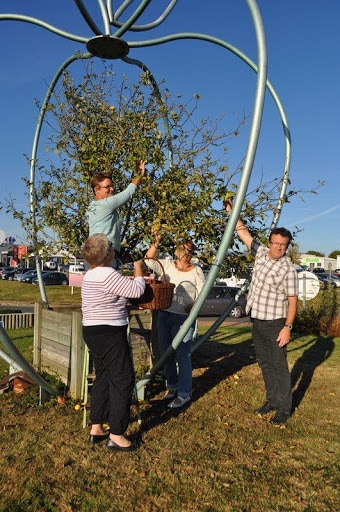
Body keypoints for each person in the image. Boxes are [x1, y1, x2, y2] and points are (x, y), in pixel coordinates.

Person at [225, 199, 298, 425]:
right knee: (264, 363)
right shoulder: (261, 253)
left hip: (276, 323)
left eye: (282, 244)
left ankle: (284, 408)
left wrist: (287, 327)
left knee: (279, 366)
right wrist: (231, 210)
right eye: (275, 242)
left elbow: (293, 301)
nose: (278, 247)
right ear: (270, 241)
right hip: (257, 320)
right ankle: (271, 400)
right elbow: (243, 232)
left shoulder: (288, 269)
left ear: (287, 246)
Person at [81, 233, 145, 451]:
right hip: (109, 332)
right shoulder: (108, 274)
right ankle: (117, 435)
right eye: (111, 247)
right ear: (107, 254)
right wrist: (139, 268)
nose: (113, 249)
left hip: (92, 330)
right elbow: (137, 290)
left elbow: (106, 299)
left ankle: (96, 427)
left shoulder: (89, 275)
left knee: (104, 376)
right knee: (123, 380)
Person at [145, 235, 205, 409]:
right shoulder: (168, 265)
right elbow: (149, 260)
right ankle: (172, 387)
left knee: (183, 356)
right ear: (176, 250)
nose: (186, 253)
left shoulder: (196, 271)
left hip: (184, 319)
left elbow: (202, 294)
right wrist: (155, 241)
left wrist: (193, 305)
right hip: (165, 315)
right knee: (166, 354)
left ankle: (184, 393)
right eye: (183, 249)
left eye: (190, 251)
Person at [87, 160, 146, 261]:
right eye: (107, 187)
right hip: (105, 251)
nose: (112, 189)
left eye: (112, 186)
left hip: (93, 251)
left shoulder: (91, 207)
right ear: (97, 190)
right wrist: (140, 174)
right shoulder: (106, 204)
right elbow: (129, 191)